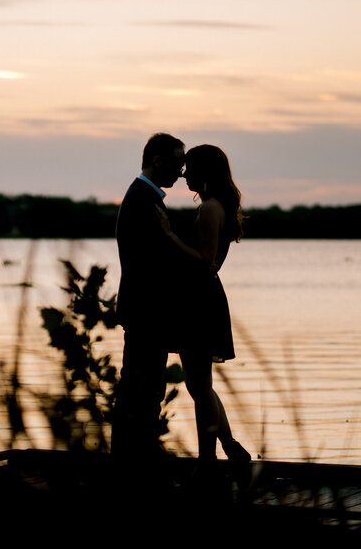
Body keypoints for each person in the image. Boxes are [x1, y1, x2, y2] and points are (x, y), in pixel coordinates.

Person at [158, 144, 250, 468]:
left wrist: (168, 237)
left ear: (205, 172)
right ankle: (229, 448)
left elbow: (205, 261)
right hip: (197, 300)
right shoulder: (214, 206)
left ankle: (209, 459)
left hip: (200, 303)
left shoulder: (211, 209)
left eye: (190, 168)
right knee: (200, 386)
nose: (184, 174)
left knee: (200, 386)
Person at [112, 132, 189, 459]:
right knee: (140, 390)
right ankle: (133, 461)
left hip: (145, 309)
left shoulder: (145, 196)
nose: (182, 171)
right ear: (158, 160)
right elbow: (153, 261)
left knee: (144, 388)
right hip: (147, 310)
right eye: (178, 162)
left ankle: (134, 458)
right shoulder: (144, 200)